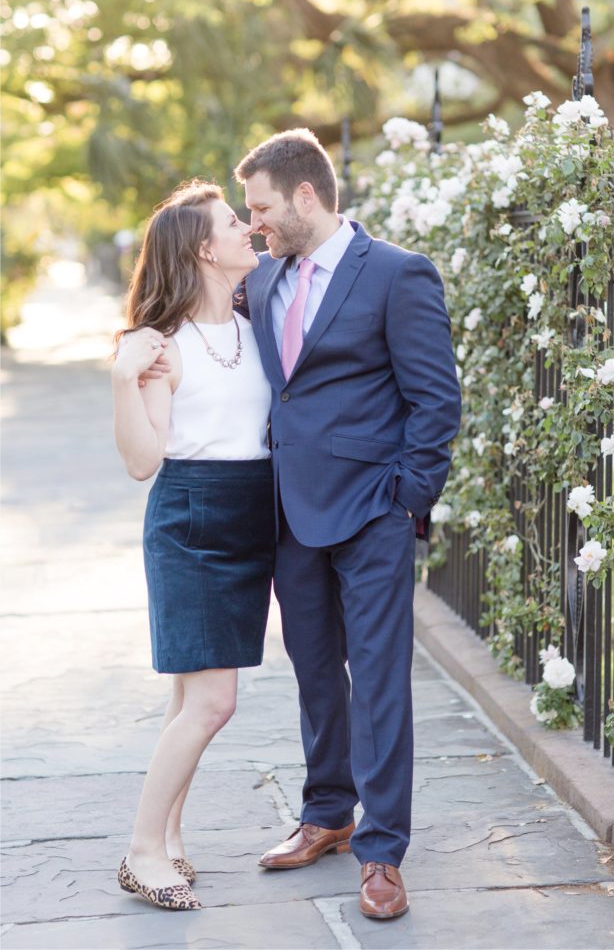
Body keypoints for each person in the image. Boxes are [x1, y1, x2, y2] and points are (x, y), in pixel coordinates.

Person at [233, 128, 461, 920]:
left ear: (304, 195)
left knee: (379, 682)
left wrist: (405, 498)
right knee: (314, 674)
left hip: (372, 512)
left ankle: (382, 850)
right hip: (289, 511)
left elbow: (436, 401)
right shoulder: (262, 281)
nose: (252, 221)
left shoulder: (397, 274)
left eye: (260, 207)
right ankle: (328, 814)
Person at [111, 180, 274, 911]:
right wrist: (123, 378)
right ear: (205, 248)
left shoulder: (255, 319)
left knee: (189, 698)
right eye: (236, 222)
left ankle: (171, 839)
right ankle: (143, 851)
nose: (250, 230)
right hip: (190, 520)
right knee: (212, 702)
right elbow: (144, 461)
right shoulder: (162, 347)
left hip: (251, 514)